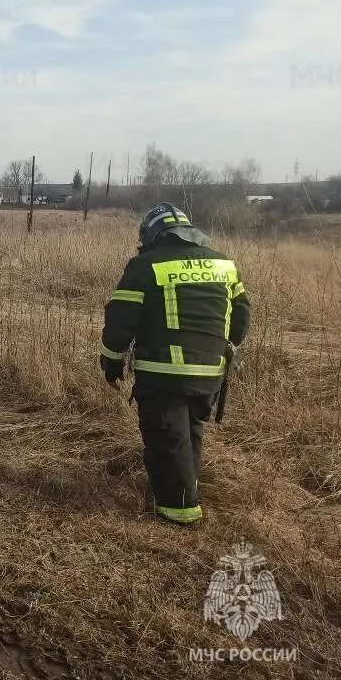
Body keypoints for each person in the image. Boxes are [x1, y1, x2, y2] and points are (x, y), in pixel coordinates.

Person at [100, 203, 251, 526]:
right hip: (210, 372)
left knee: (166, 438)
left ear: (152, 234)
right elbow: (241, 316)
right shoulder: (224, 264)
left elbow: (120, 320)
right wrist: (223, 347)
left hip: (164, 371)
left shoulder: (144, 265)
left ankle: (178, 511)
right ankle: (187, 490)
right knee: (189, 432)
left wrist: (111, 365)